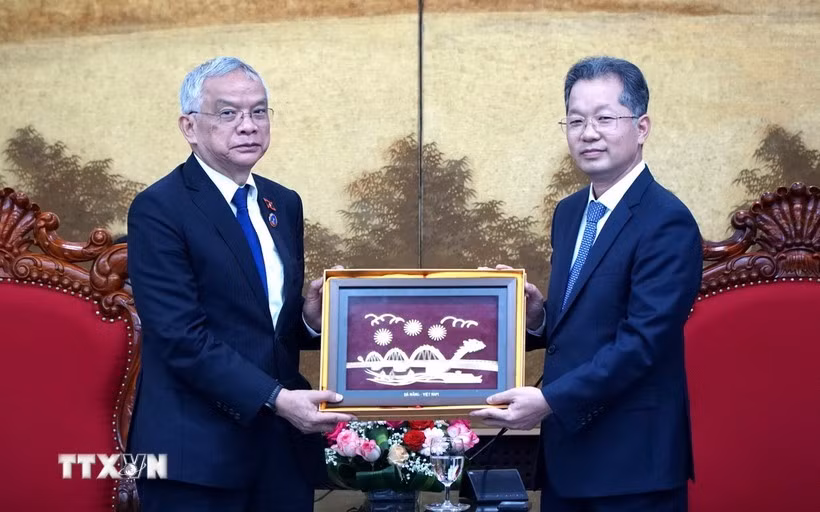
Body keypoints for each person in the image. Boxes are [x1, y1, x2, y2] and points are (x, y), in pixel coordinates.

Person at [471, 56, 703, 511]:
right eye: (575, 120)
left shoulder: (667, 221)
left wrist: (548, 401)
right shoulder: (571, 211)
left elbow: (641, 344)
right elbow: (584, 323)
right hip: (568, 457)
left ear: (641, 127)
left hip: (632, 467)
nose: (588, 133)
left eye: (604, 118)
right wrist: (539, 318)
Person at [127, 57, 354, 512]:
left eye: (259, 111)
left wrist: (308, 323)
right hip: (196, 456)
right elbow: (179, 337)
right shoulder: (158, 208)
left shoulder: (282, 203)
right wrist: (275, 398)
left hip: (280, 451)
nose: (248, 126)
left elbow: (265, 324)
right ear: (189, 126)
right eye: (228, 113)